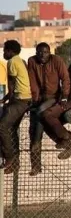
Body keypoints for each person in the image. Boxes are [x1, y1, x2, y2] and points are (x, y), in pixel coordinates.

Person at [27, 42, 71, 175]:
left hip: (53, 97)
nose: (42, 54)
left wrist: (64, 96)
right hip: (39, 100)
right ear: (36, 52)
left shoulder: (56, 60)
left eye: (45, 52)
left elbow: (65, 78)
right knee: (35, 134)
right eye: (39, 52)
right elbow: (32, 81)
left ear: (49, 52)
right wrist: (34, 100)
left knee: (41, 113)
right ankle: (36, 166)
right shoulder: (32, 61)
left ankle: (65, 136)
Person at [0, 40, 32, 174]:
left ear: (10, 51)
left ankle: (9, 157)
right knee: (12, 130)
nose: (3, 53)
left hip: (21, 100)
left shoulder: (12, 62)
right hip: (23, 98)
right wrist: (5, 99)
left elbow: (12, 85)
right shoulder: (19, 60)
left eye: (5, 50)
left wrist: (9, 101)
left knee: (3, 126)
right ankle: (14, 163)